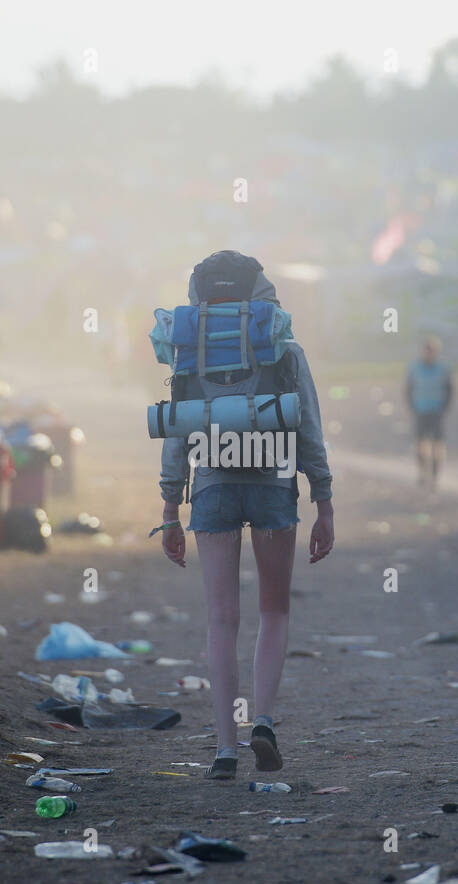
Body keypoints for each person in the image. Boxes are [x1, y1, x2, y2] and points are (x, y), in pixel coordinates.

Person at [159, 252, 334, 780]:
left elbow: (177, 430)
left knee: (221, 620)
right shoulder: (284, 348)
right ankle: (263, 721)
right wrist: (324, 502)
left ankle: (224, 751)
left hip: (212, 485)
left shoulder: (189, 350)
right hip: (272, 484)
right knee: (274, 611)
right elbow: (308, 431)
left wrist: (170, 506)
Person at [404, 337, 453, 490]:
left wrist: (445, 406)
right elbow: (408, 389)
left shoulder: (442, 368)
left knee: (437, 445)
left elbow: (449, 388)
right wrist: (412, 406)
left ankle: (435, 475)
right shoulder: (415, 368)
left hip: (436, 411)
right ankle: (422, 471)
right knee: (420, 444)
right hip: (420, 410)